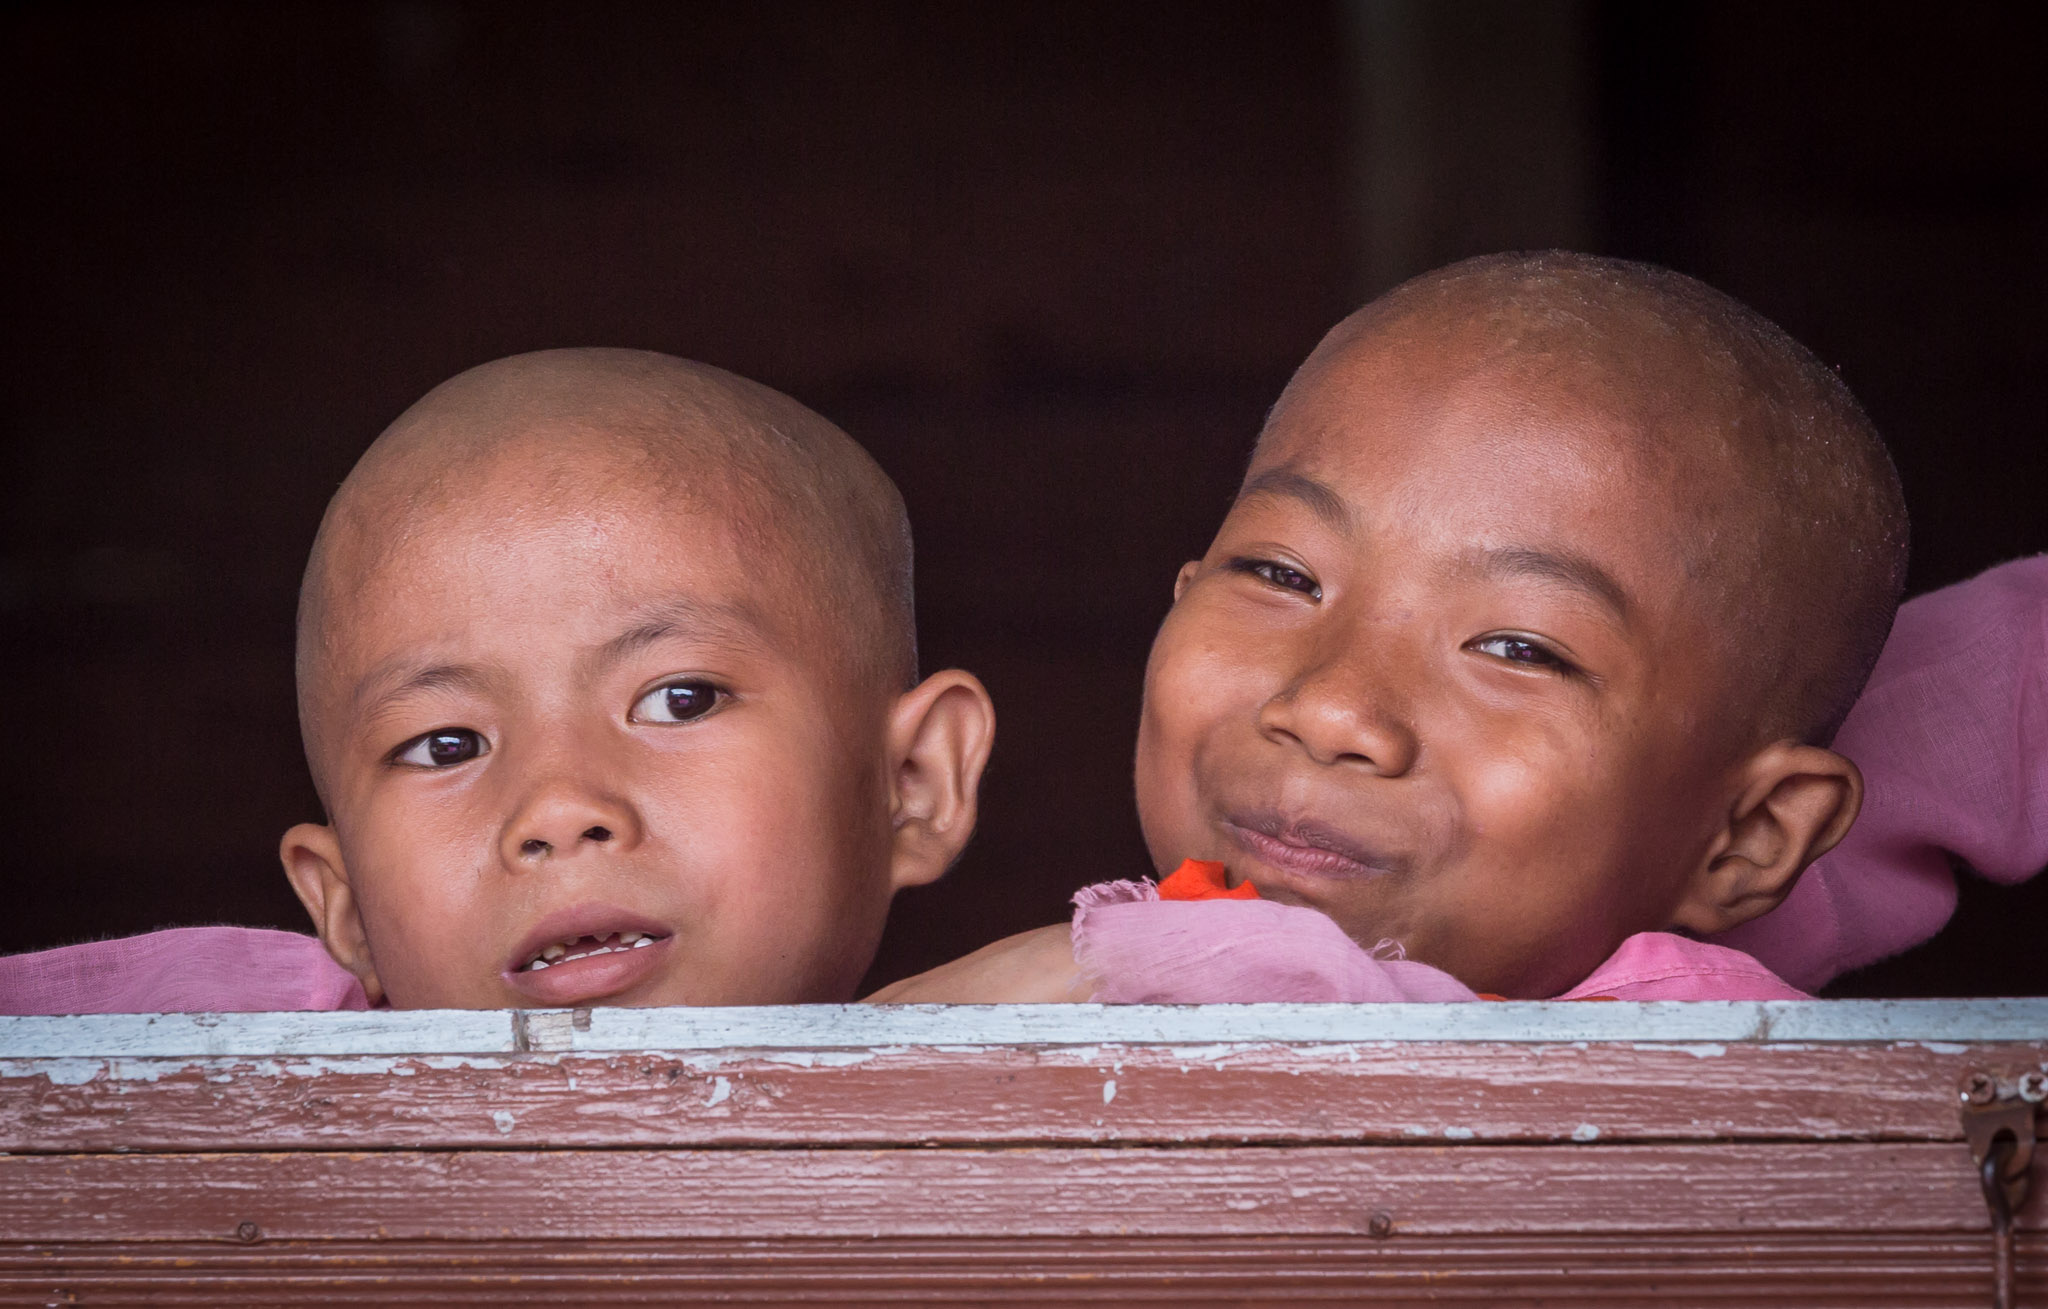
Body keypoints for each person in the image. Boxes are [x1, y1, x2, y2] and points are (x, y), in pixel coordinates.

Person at [872, 251, 1911, 1004]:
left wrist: (1067, 970)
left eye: (1515, 647)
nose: (1328, 708)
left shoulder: (1700, 1063)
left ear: (1744, 837)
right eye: (1279, 573)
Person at [1, 349, 994, 1012]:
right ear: (343, 905)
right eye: (446, 744)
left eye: (678, 697)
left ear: (910, 780)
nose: (559, 807)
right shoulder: (205, 1131)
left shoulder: (1072, 1055)